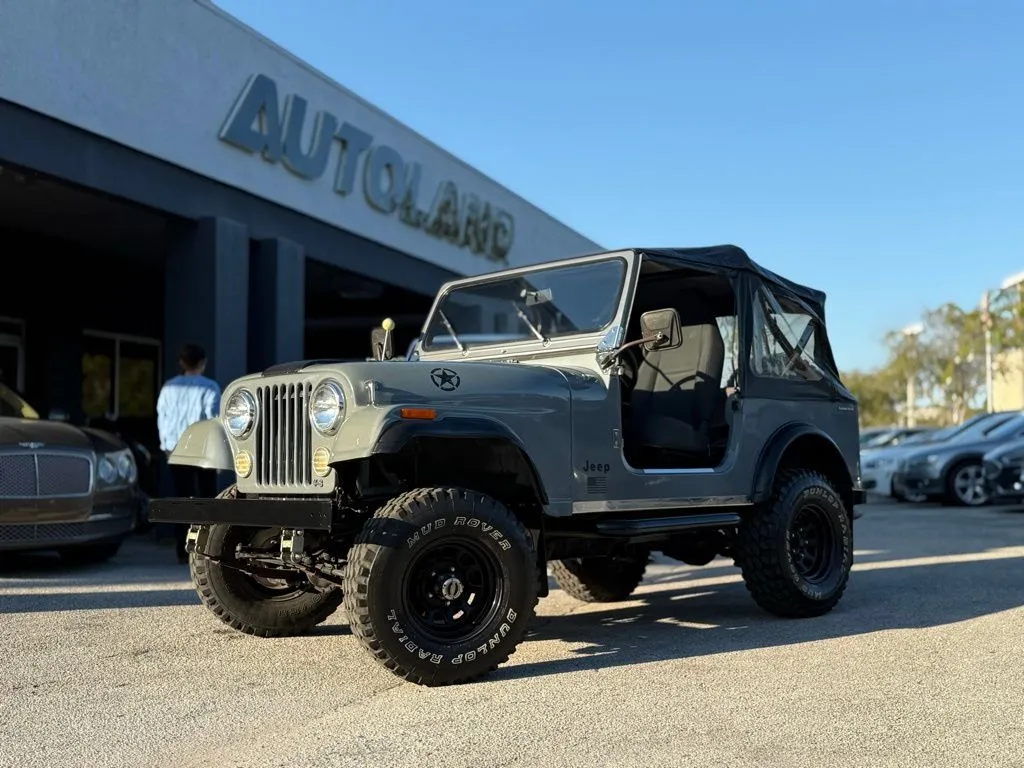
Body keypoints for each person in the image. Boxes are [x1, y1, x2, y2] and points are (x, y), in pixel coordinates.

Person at [157, 343, 221, 562]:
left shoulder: (168, 388)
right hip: (203, 449)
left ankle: (181, 550)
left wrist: (166, 447)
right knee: (207, 498)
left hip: (176, 449)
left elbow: (162, 420)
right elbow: (214, 420)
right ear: (203, 363)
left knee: (181, 498)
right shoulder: (210, 387)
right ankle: (208, 548)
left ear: (182, 363)